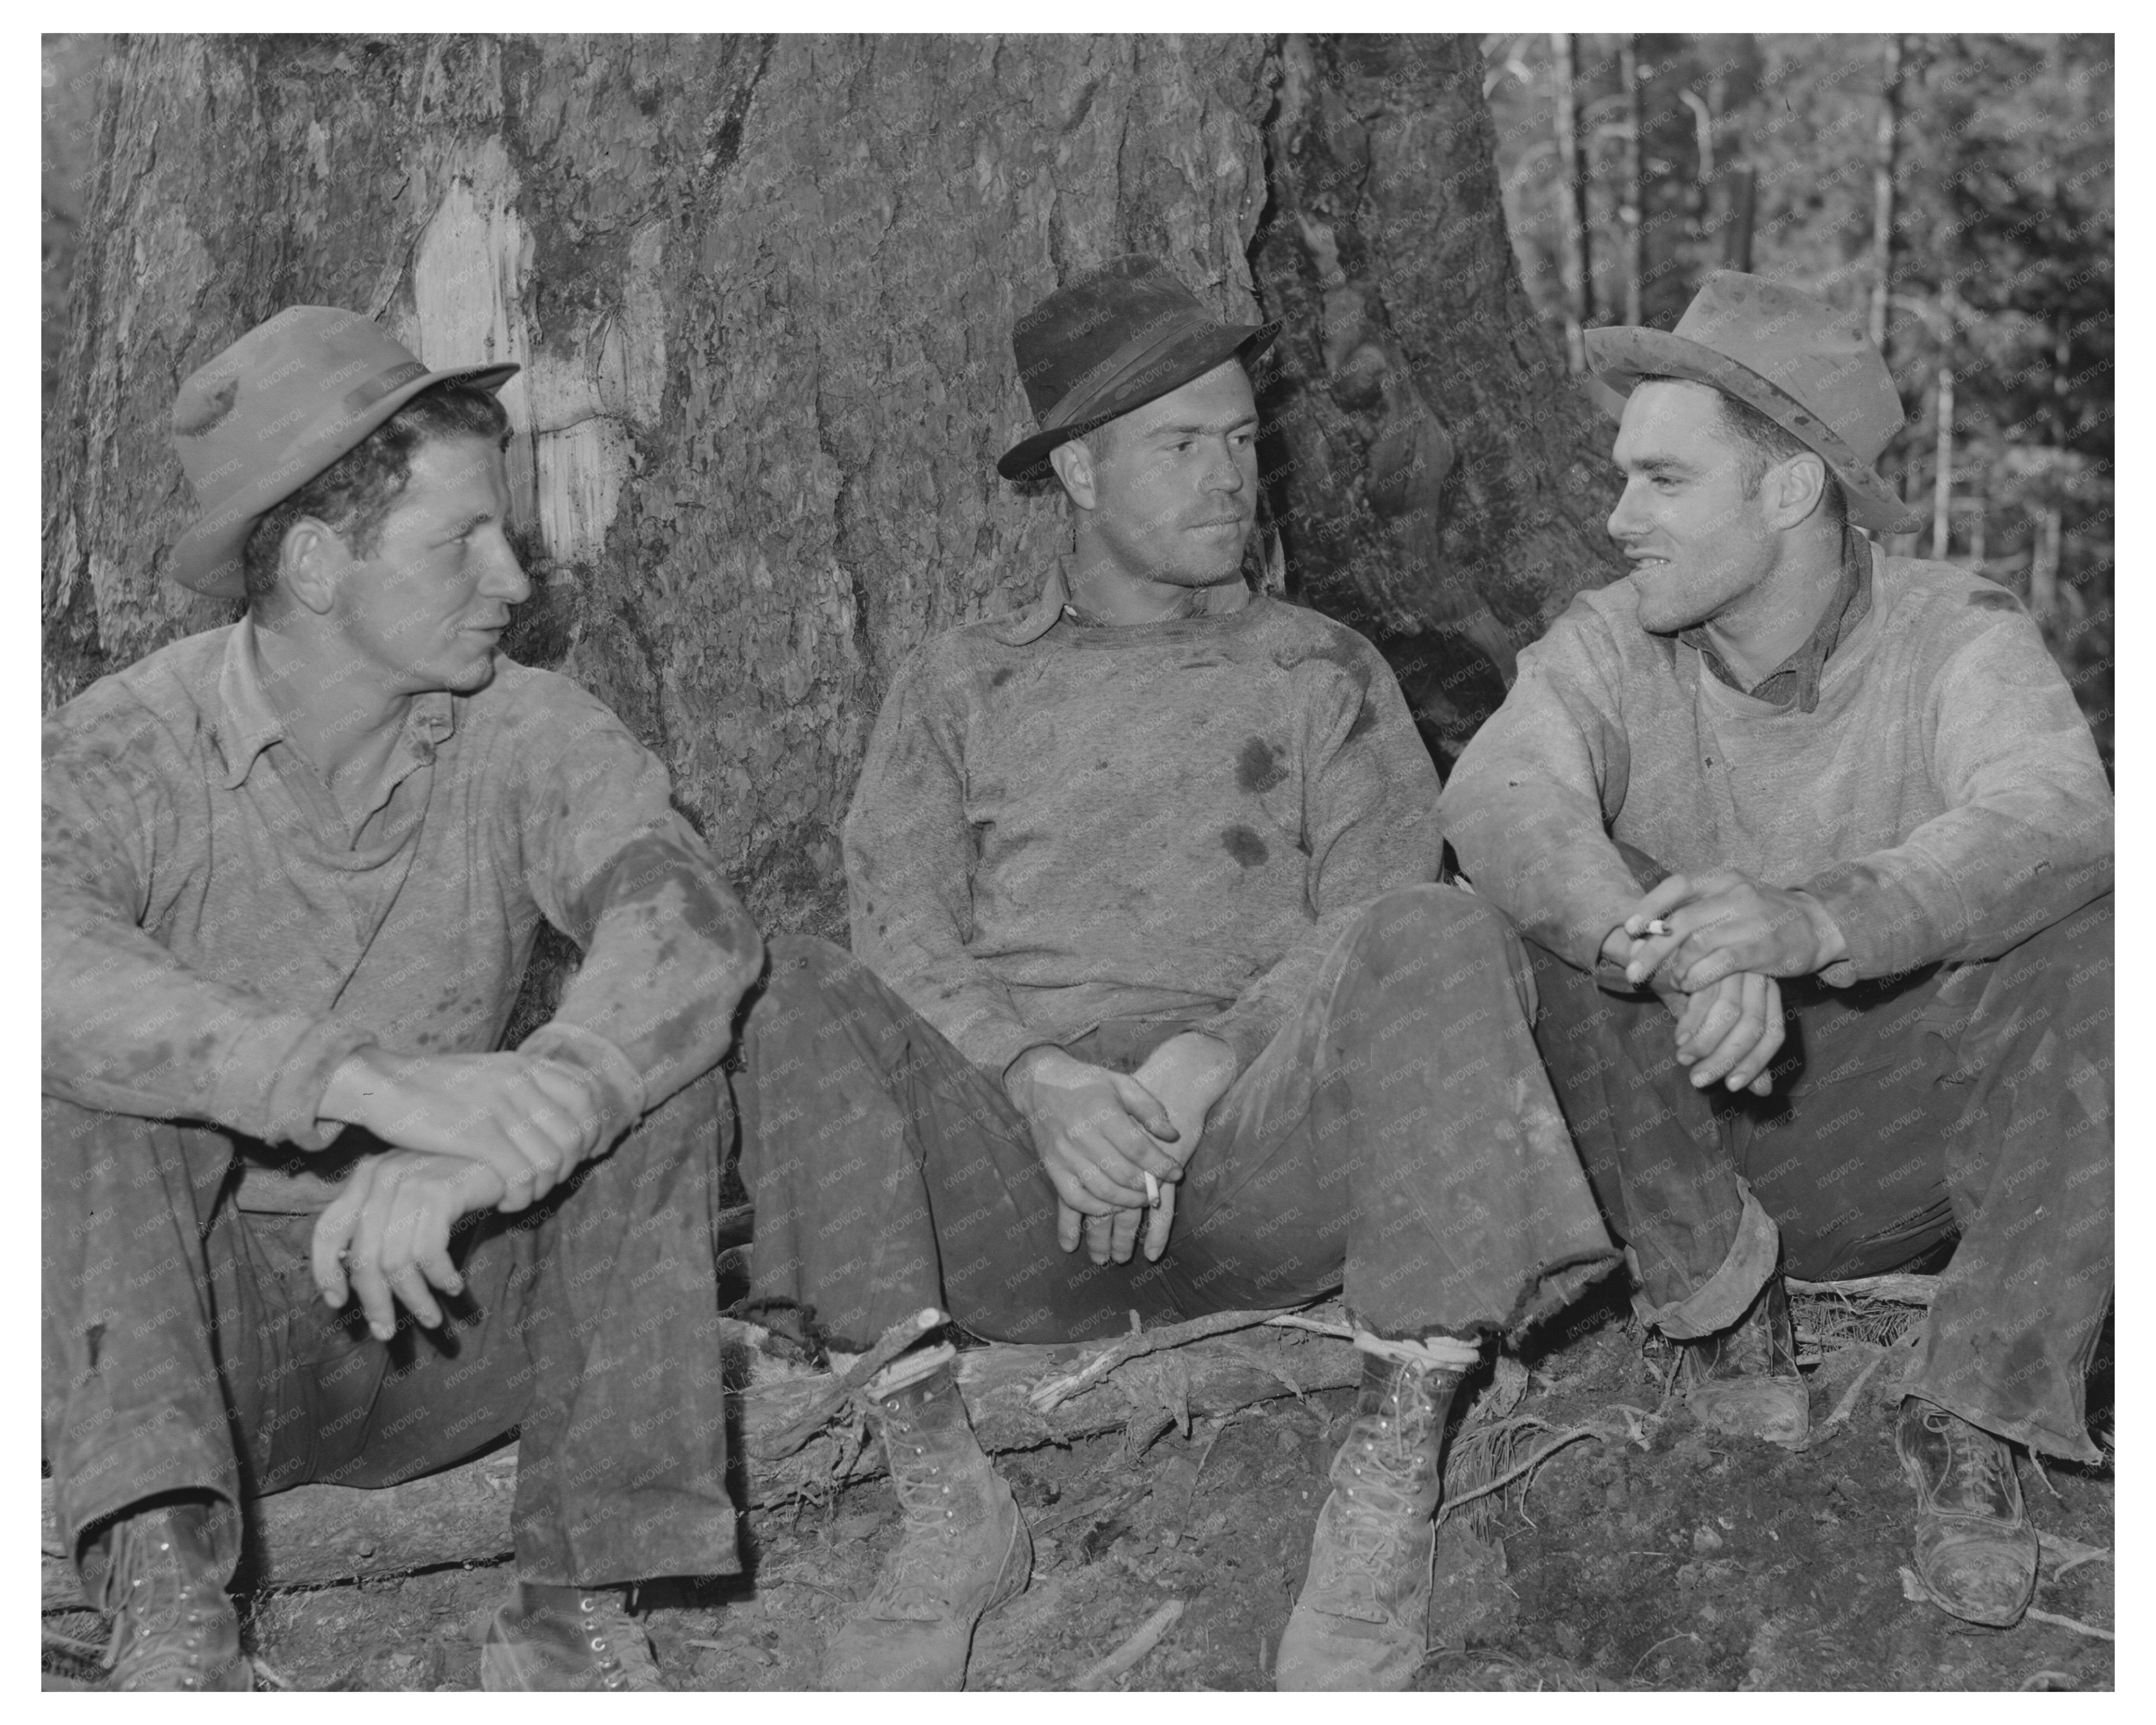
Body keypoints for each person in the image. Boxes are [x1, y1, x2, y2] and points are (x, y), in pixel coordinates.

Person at [728, 255, 1619, 1692]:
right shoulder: (962, 681)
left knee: (1449, 932)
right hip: (1020, 1200)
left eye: (1242, 439)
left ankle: (1395, 1471)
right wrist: (1035, 1079)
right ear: (1077, 471)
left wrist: (1218, 1053)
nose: (1230, 479)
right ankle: (948, 1502)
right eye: (1181, 446)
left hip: (1265, 1168)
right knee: (790, 982)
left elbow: (1384, 907)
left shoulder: (1324, 670)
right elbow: (901, 927)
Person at [42, 307, 764, 1690]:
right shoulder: (133, 746)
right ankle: (168, 1605)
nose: (513, 575)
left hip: (456, 1318)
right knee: (90, 1079)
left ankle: (581, 1602)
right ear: (318, 565)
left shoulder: (527, 729)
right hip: (192, 1349)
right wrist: (363, 1083)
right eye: (462, 541)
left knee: (657, 1067)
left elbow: (685, 920)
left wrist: (538, 1101)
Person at [1438, 271, 2113, 1630]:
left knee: (2098, 934)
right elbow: (1496, 798)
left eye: (1664, 481)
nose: (1617, 518)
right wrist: (1690, 940)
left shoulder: (1954, 632)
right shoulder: (1610, 639)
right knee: (1550, 890)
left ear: (1793, 491)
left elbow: (2060, 817)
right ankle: (1720, 1310)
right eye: (1624, 478)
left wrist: (1813, 919)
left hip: (1905, 1146)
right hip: (1680, 1151)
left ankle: (1982, 1403)